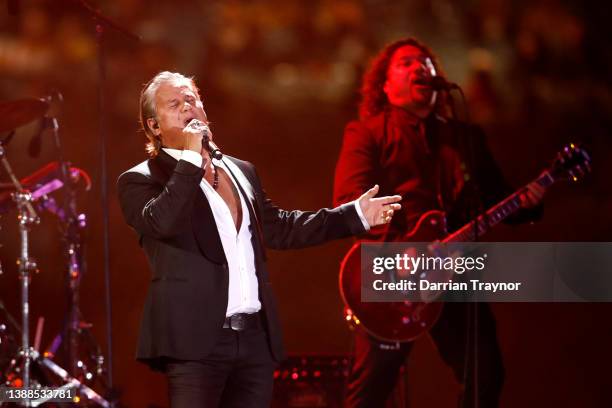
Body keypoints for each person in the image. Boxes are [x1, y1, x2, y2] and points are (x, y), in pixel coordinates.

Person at [116, 71, 402, 408]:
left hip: (253, 340)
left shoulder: (241, 171)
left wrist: (353, 215)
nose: (187, 108)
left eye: (192, 99)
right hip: (195, 344)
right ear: (154, 126)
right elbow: (164, 221)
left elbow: (280, 228)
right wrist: (192, 158)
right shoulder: (140, 180)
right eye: (175, 104)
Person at [333, 38, 546, 407]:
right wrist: (400, 250)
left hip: (453, 271)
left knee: (485, 377)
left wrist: (529, 202)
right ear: (385, 84)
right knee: (371, 390)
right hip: (392, 270)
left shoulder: (466, 138)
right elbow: (350, 200)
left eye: (426, 62)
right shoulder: (367, 133)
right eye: (406, 63)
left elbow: (496, 199)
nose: (420, 67)